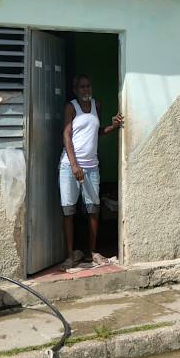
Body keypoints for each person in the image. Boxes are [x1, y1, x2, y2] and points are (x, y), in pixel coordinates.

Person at [59, 74, 122, 269]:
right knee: (69, 210)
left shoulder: (97, 105)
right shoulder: (71, 107)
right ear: (75, 90)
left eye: (88, 86)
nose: (86, 90)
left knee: (93, 210)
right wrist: (74, 165)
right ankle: (70, 255)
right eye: (82, 87)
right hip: (70, 166)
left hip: (92, 166)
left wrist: (112, 127)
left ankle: (93, 252)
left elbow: (95, 131)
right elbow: (66, 136)